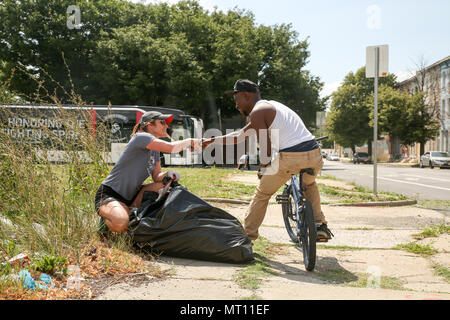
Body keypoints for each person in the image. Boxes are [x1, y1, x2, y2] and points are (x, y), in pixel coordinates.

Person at [202, 79, 333, 241]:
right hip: (314, 154)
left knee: (262, 194)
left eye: (237, 100)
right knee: (309, 183)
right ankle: (319, 225)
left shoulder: (257, 112)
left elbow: (266, 148)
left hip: (291, 158)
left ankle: (247, 237)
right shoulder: (271, 107)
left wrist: (263, 168)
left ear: (246, 95)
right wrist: (213, 140)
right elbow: (239, 135)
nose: (236, 105)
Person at [95, 111, 201, 233]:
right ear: (149, 125)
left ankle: (125, 214)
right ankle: (107, 225)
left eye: (166, 123)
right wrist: (190, 141)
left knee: (164, 185)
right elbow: (171, 148)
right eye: (162, 122)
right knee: (120, 222)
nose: (166, 126)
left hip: (131, 196)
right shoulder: (141, 137)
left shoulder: (154, 149)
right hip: (109, 195)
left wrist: (168, 174)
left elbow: (156, 177)